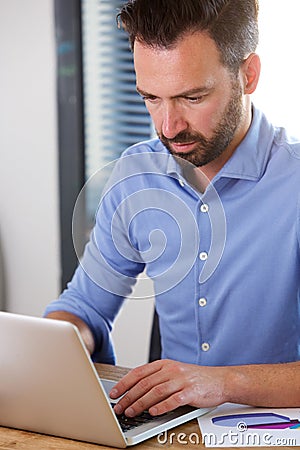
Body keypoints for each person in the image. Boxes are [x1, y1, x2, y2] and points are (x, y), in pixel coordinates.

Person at [45, 0, 300, 418]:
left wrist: (219, 382)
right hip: (170, 433)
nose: (168, 126)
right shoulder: (134, 177)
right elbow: (85, 309)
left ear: (248, 75)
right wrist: (48, 349)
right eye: (151, 98)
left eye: (192, 97)